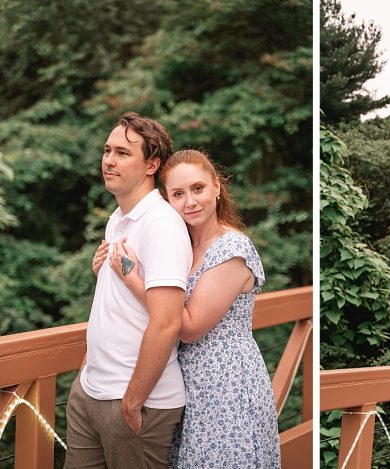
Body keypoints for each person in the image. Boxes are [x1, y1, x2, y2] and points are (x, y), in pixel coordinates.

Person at [101, 149, 282, 467]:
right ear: (167, 200)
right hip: (186, 385)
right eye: (178, 194)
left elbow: (189, 327)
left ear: (216, 187)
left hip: (227, 390)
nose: (190, 202)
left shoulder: (231, 248)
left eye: (198, 189)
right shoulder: (179, 243)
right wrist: (103, 268)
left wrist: (132, 278)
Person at [68, 112, 192, 468]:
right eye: (107, 150)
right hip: (90, 390)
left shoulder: (162, 224)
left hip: (135, 401)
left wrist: (132, 401)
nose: (109, 160)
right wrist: (84, 374)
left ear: (152, 164)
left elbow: (168, 322)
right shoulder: (117, 219)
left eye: (123, 153)